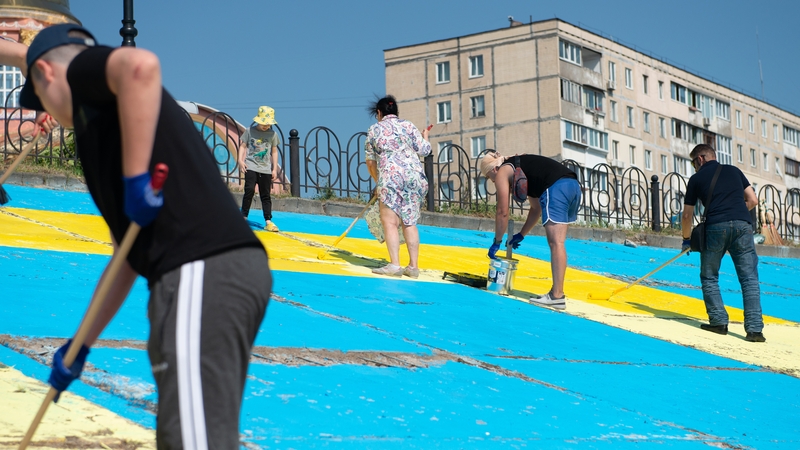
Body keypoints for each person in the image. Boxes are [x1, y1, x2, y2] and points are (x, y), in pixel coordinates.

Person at [22, 24, 271, 448]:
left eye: (38, 97)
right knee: (183, 435)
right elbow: (127, 257)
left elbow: (140, 64)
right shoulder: (105, 128)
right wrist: (80, 344)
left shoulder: (84, 74)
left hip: (201, 267)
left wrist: (137, 179)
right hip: (197, 274)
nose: (42, 111)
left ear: (46, 73)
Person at [681, 143, 764, 342]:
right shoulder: (735, 171)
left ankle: (718, 322)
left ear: (700, 159)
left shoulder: (696, 179)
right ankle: (754, 331)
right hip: (743, 226)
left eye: (694, 163)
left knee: (709, 276)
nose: (694, 167)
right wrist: (735, 211)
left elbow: (686, 215)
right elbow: (753, 200)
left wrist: (686, 240)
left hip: (716, 226)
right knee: (749, 278)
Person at [479, 151, 581, 310]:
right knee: (559, 243)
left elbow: (502, 211)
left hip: (557, 187)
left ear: (493, 170)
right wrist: (521, 234)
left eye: (489, 178)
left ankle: (557, 295)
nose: (493, 181)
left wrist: (497, 241)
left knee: (556, 243)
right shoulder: (522, 167)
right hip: (573, 185)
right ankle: (557, 295)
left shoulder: (503, 171)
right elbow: (536, 208)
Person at [364, 95, 431, 278]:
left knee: (390, 222)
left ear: (379, 112)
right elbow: (425, 150)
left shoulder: (374, 130)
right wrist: (425, 137)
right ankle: (413, 266)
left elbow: (370, 162)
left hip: (391, 178)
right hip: (415, 177)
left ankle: (395, 264)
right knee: (409, 222)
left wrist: (380, 182)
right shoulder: (408, 125)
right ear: (396, 112)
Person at [238, 106, 280, 231]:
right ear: (258, 120)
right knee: (249, 190)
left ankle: (268, 221)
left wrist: (274, 169)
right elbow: (243, 146)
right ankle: (243, 217)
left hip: (265, 169)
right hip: (250, 166)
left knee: (265, 195)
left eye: (268, 124)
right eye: (264, 123)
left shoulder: (273, 134)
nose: (266, 126)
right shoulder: (249, 131)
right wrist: (240, 161)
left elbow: (274, 152)